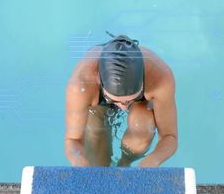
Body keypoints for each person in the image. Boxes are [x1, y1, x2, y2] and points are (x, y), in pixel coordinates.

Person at [64, 31, 178, 167]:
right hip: (96, 100)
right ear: (98, 78)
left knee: (142, 124)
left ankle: (125, 163)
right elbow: (73, 140)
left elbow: (169, 136)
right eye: (113, 100)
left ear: (143, 82)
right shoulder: (81, 85)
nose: (123, 107)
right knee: (97, 154)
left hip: (140, 103)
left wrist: (152, 160)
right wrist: (79, 162)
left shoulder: (160, 77)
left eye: (131, 100)